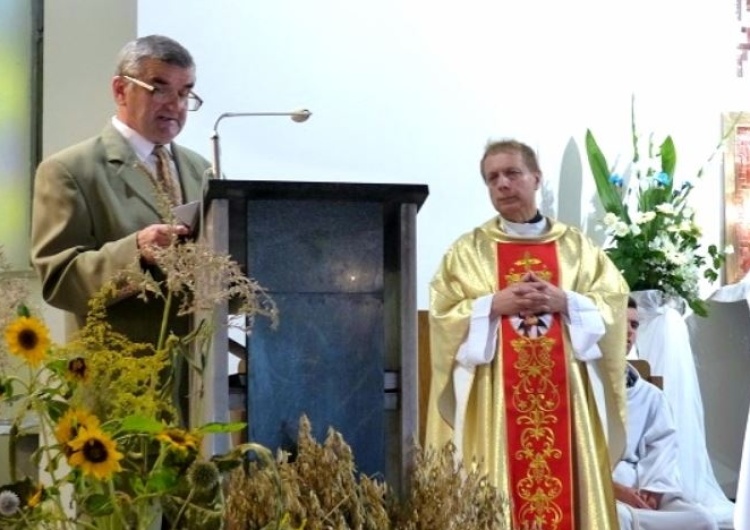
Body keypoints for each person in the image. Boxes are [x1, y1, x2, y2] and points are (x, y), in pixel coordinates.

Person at [425, 139, 630, 530]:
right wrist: (490, 307)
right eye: (492, 178)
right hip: (495, 400)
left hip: (565, 395)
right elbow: (442, 315)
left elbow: (614, 303)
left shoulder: (577, 248)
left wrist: (566, 300)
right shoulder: (467, 251)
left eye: (512, 173)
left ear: (536, 178)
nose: (502, 184)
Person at [30, 34, 211, 346]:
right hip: (118, 377)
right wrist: (137, 251)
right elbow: (60, 281)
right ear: (120, 90)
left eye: (185, 94)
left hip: (198, 378)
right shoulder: (70, 170)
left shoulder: (202, 169)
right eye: (160, 89)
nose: (175, 105)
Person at [615, 297, 718, 530]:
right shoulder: (586, 390)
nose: (629, 332)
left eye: (634, 325)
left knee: (702, 520)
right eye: (622, 323)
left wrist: (655, 489)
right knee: (618, 518)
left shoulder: (650, 395)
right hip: (604, 489)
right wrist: (617, 490)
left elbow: (662, 445)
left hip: (644, 486)